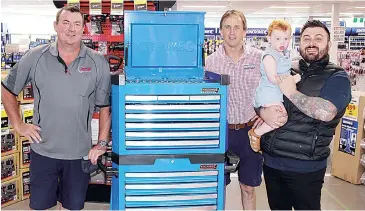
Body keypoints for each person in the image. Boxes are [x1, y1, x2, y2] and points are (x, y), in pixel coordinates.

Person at [1, 5, 111, 210]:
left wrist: (101, 143)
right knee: (41, 207)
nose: (71, 29)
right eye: (66, 23)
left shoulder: (98, 63)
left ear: (83, 29)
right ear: (56, 26)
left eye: (77, 24)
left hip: (79, 154)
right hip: (43, 151)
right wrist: (18, 124)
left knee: (71, 207)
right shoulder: (35, 56)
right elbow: (7, 89)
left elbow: (104, 108)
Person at [256, 20, 352, 210]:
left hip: (306, 167)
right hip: (273, 163)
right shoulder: (286, 67)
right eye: (306, 38)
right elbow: (263, 94)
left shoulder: (338, 77)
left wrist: (292, 92)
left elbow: (327, 112)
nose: (311, 43)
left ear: (328, 43)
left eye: (318, 38)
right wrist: (262, 111)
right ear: (298, 43)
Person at [204, 10, 263, 210]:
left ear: (245, 31)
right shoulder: (211, 62)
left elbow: (269, 91)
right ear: (221, 31)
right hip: (221, 133)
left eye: (236, 27)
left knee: (248, 187)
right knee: (218, 185)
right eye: (227, 27)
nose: (232, 32)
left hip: (250, 132)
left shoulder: (259, 59)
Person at [248, 20, 300, 152]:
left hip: (274, 93)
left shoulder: (280, 55)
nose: (282, 42)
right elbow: (273, 78)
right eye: (278, 38)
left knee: (280, 117)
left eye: (286, 38)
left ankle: (258, 133)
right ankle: (256, 133)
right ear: (269, 38)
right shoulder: (270, 56)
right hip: (269, 93)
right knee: (281, 118)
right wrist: (293, 79)